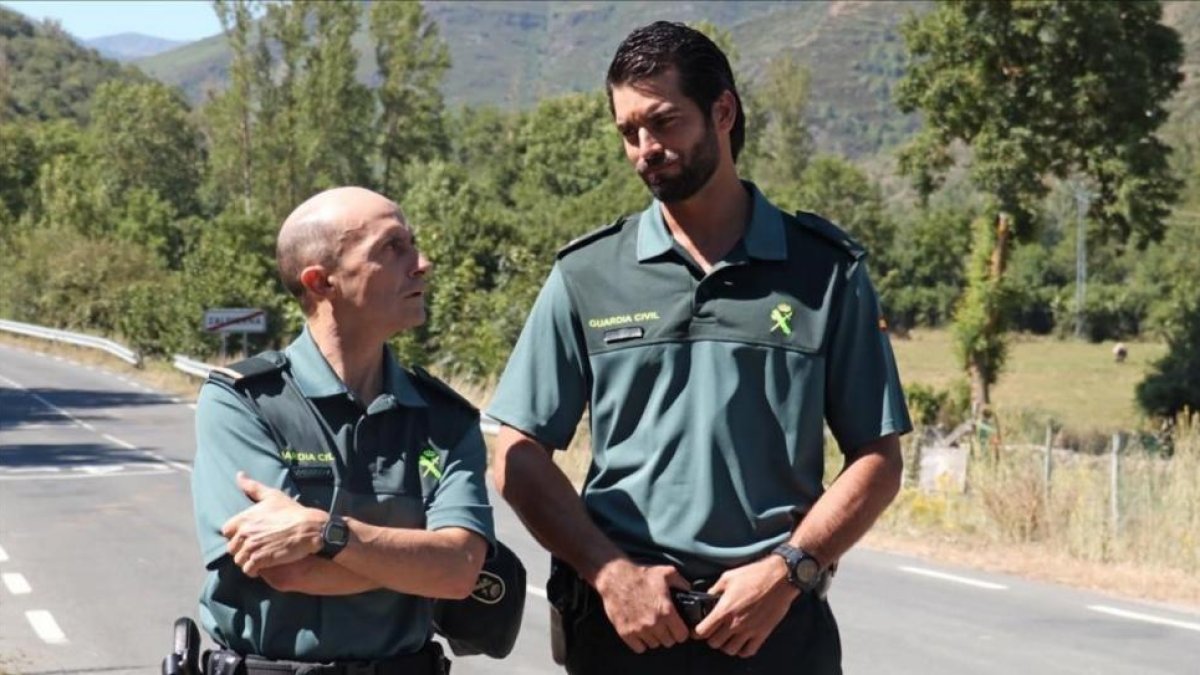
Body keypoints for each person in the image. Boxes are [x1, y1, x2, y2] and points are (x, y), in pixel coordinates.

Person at [488, 21, 911, 674]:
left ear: (723, 112)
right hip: (625, 632)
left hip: (772, 629)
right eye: (629, 131)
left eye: (664, 122)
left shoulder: (826, 271)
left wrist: (789, 570)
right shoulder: (587, 274)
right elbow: (515, 454)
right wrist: (611, 573)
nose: (645, 149)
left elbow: (878, 460)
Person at [191, 186, 494, 675]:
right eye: (392, 247)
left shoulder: (444, 418)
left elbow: (459, 571)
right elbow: (287, 568)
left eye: (413, 244)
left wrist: (322, 532)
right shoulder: (244, 402)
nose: (422, 263)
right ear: (321, 282)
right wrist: (414, 561)